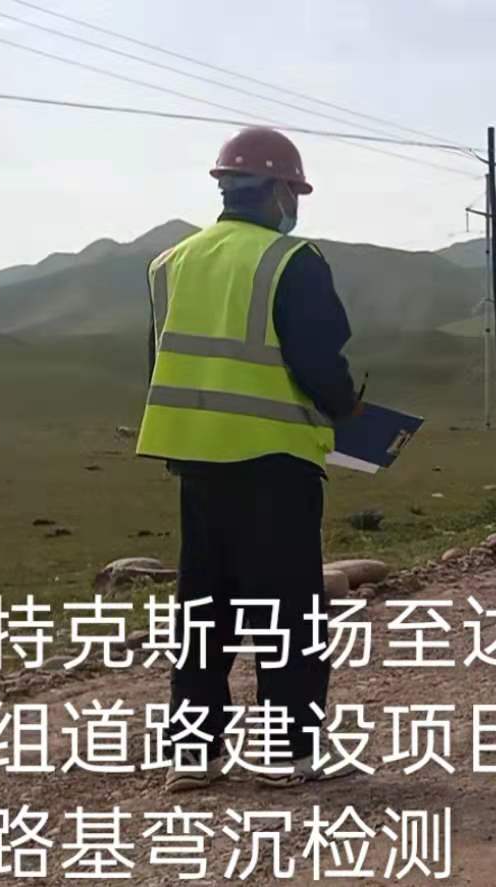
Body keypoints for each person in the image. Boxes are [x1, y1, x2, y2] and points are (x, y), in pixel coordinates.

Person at [135, 126, 359, 790]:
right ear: (279, 190)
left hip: (196, 457)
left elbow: (165, 356)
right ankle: (288, 751)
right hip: (275, 458)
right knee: (289, 611)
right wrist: (348, 410)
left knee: (203, 607)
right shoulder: (291, 260)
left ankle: (193, 752)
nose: (296, 206)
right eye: (295, 193)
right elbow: (318, 362)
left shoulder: (170, 263)